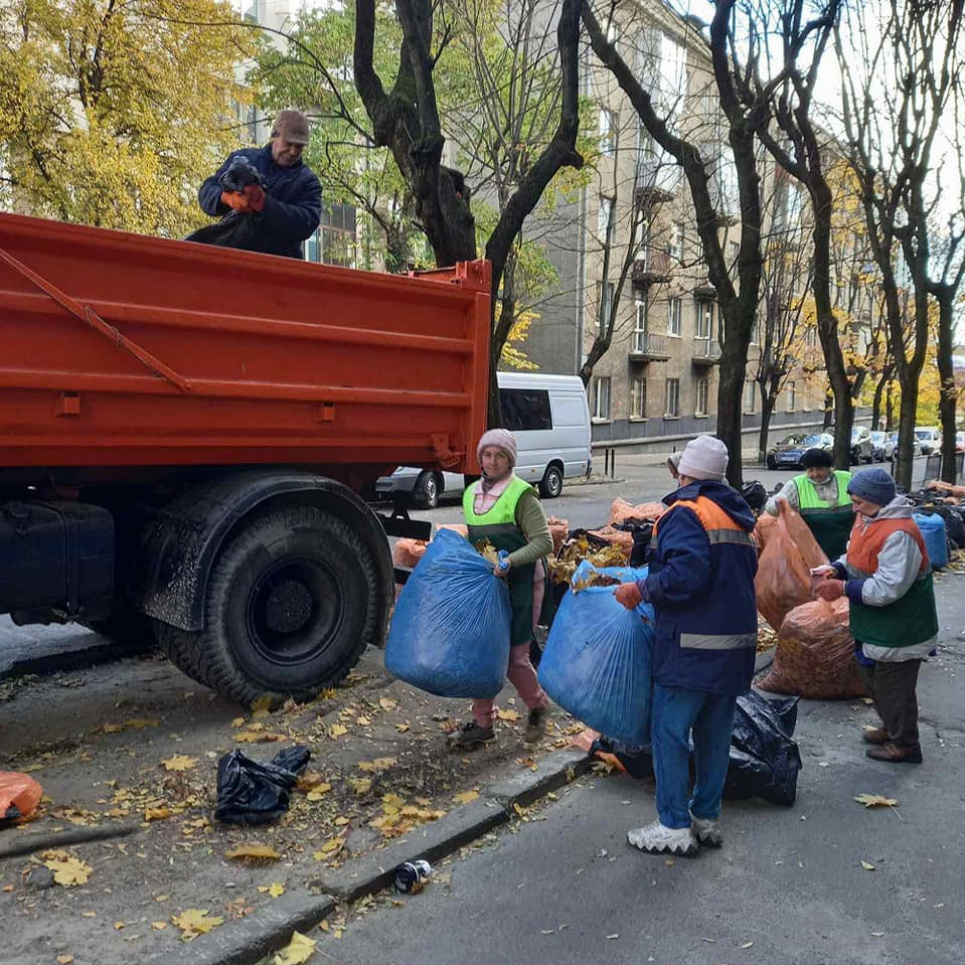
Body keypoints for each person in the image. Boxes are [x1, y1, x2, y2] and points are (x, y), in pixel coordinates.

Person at [614, 436, 758, 856]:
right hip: (735, 647)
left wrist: (640, 588)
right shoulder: (736, 515)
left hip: (692, 647)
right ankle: (705, 816)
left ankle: (673, 823)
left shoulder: (685, 512)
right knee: (715, 735)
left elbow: (685, 576)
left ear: (684, 473)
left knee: (670, 733)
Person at [812, 468, 938, 764]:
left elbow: (888, 588)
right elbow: (854, 553)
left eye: (859, 502)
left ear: (877, 499)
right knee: (872, 679)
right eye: (853, 501)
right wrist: (837, 568)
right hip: (877, 625)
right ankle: (892, 726)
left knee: (894, 688)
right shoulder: (868, 518)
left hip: (901, 627)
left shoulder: (899, 533)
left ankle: (906, 745)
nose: (854, 508)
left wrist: (841, 587)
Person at [447, 429, 554, 751]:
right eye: (487, 455)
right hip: (489, 586)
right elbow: (477, 540)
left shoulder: (522, 495)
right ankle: (482, 724)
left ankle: (538, 706)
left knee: (514, 658)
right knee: (484, 654)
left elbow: (544, 542)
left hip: (522, 583)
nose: (492, 462)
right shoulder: (471, 494)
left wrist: (512, 562)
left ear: (511, 460)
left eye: (500, 456)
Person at [196, 109, 321, 259]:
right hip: (231, 257)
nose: (293, 152)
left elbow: (306, 222)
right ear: (274, 136)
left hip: (277, 266)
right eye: (289, 143)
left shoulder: (308, 181)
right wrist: (227, 198)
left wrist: (263, 204)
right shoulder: (243, 158)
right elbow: (206, 192)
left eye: (299, 147)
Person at [765, 448, 853, 559]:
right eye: (810, 470)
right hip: (813, 552)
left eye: (820, 469)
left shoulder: (847, 479)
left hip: (848, 549)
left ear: (830, 468)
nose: (815, 474)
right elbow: (771, 508)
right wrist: (779, 504)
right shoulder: (796, 485)